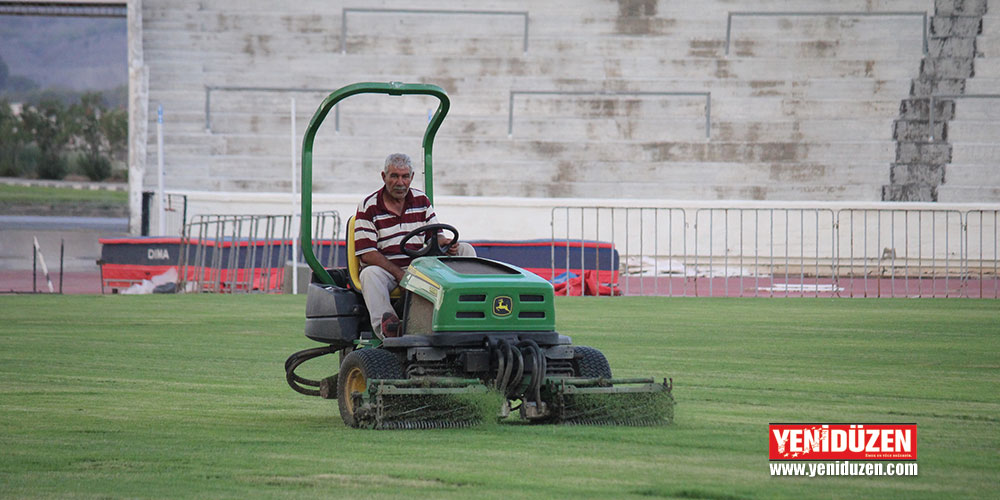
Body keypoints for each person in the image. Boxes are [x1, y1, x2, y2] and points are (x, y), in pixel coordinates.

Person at [354, 153, 476, 338]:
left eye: (404, 176)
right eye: (394, 176)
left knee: (465, 249)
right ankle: (389, 329)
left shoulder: (421, 200)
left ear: (411, 177)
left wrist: (445, 242)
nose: (400, 182)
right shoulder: (368, 206)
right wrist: (401, 275)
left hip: (420, 267)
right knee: (370, 274)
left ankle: (468, 311)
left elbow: (434, 235)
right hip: (388, 270)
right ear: (384, 177)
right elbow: (368, 254)